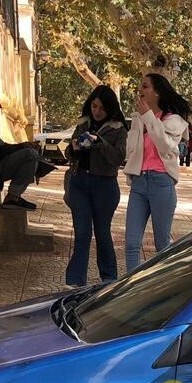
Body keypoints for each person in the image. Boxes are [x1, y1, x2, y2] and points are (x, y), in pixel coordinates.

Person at [124, 73, 191, 272]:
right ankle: (130, 291)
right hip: (139, 183)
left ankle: (162, 289)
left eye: (145, 87)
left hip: (161, 182)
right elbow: (131, 149)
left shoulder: (174, 121)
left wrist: (149, 118)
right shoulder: (138, 118)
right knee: (131, 243)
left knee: (161, 245)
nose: (140, 91)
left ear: (157, 92)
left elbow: (166, 146)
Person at [64, 85, 128, 287]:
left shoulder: (118, 128)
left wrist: (98, 142)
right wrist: (74, 147)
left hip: (105, 186)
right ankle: (74, 282)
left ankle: (109, 280)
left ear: (109, 108)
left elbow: (118, 158)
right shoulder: (83, 123)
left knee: (102, 232)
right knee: (82, 233)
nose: (97, 111)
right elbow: (69, 152)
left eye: (101, 108)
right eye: (94, 106)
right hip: (79, 183)